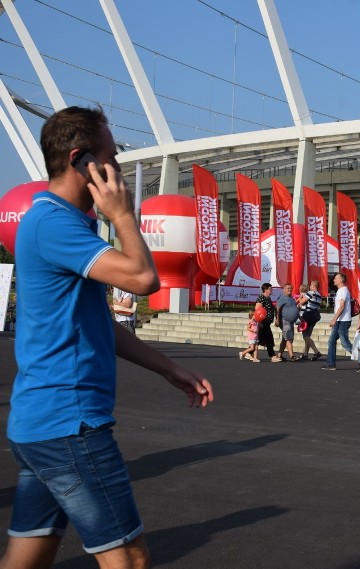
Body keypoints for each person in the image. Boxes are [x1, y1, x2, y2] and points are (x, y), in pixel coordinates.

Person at [1, 106, 213, 569]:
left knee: (27, 556)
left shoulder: (64, 223)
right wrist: (122, 215)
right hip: (69, 426)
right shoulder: (55, 223)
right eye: (112, 156)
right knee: (130, 560)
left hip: (43, 425)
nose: (117, 167)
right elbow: (142, 278)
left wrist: (169, 368)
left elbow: (96, 321)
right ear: (82, 161)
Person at [322, 273, 352, 371]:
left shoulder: (343, 290)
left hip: (343, 321)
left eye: (336, 278)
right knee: (331, 341)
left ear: (341, 280)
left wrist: (334, 319)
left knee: (345, 343)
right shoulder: (340, 290)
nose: (334, 280)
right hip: (340, 320)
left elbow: (342, 306)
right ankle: (331, 364)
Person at [296, 281, 322, 361]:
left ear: (314, 286)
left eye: (310, 284)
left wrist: (300, 299)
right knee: (308, 335)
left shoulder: (311, 293)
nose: (309, 285)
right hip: (314, 317)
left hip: (307, 316)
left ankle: (317, 352)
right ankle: (305, 354)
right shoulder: (319, 295)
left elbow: (301, 302)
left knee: (305, 336)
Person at [255, 283, 280, 362]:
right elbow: (257, 310)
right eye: (270, 289)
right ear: (265, 290)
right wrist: (260, 322)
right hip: (263, 323)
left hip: (267, 322)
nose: (271, 290)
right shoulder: (261, 298)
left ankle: (248, 352)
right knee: (269, 340)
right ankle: (272, 356)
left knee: (260, 339)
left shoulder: (268, 298)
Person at [275, 283, 299, 362]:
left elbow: (295, 309)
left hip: (291, 321)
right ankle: (291, 356)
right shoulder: (282, 298)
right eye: (288, 288)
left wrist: (300, 318)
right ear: (284, 289)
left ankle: (279, 355)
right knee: (289, 337)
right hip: (285, 320)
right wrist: (277, 319)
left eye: (290, 288)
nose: (289, 290)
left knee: (285, 338)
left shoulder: (292, 298)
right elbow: (277, 308)